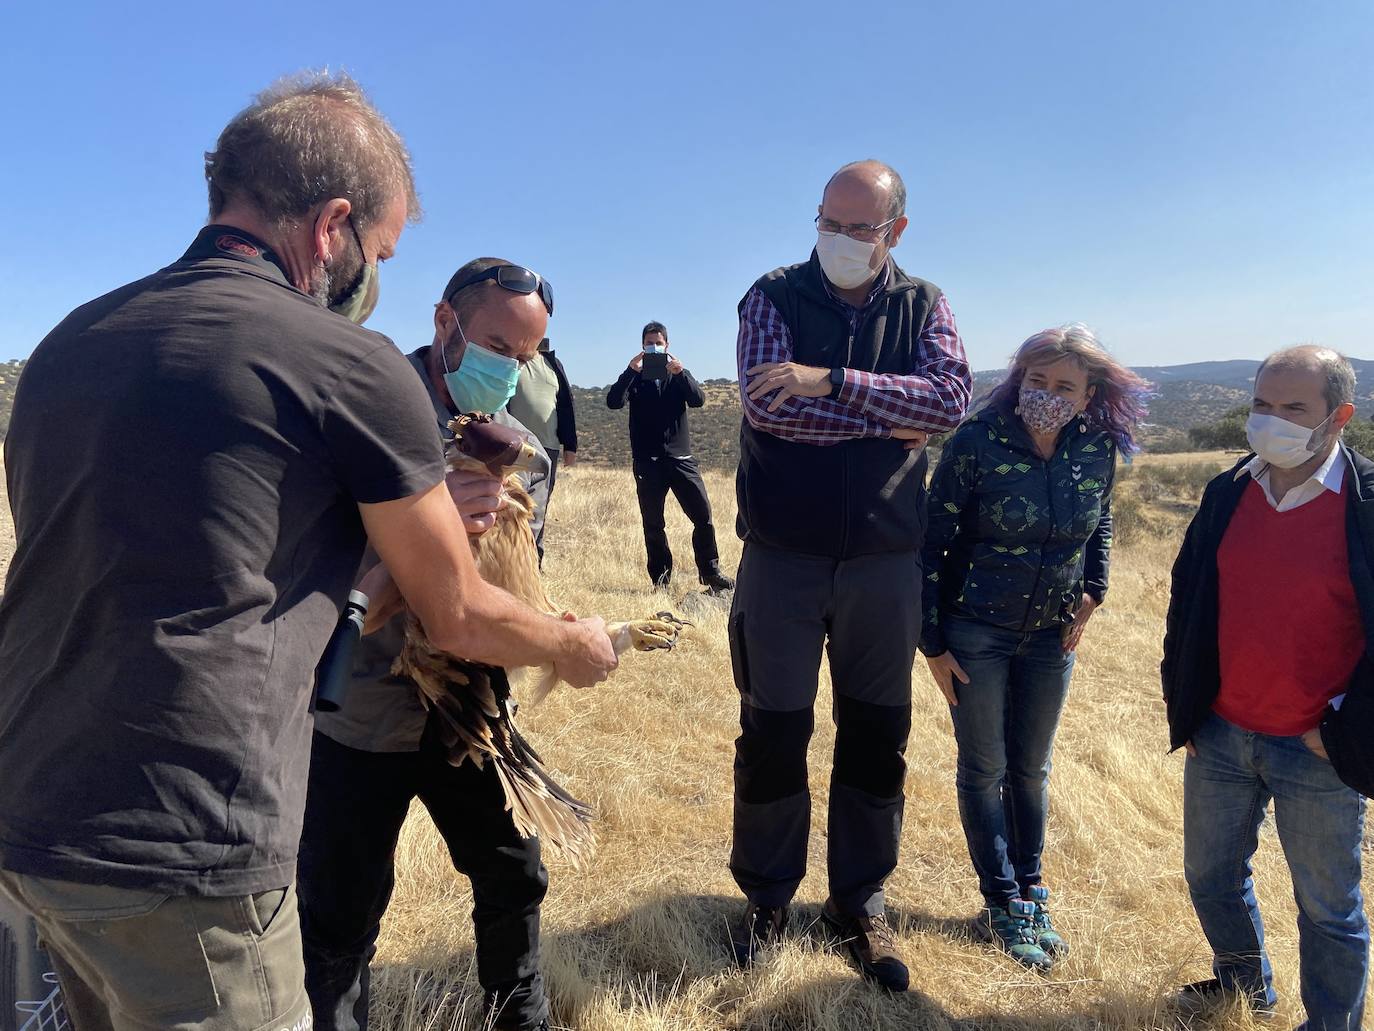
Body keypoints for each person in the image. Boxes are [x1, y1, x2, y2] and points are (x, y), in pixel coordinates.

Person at [0, 76, 616, 1031]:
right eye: (378, 250)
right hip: (188, 845)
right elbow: (452, 610)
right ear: (333, 225)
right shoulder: (343, 361)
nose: (374, 277)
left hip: (31, 820)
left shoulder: (69, 343)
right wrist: (573, 648)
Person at [299, 258, 562, 1031]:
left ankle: (522, 1014)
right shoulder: (358, 415)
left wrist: (502, 519)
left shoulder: (522, 455)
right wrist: (428, 517)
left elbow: (517, 587)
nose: (508, 370)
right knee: (341, 907)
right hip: (359, 711)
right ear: (445, 321)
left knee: (514, 873)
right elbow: (315, 563)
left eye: (525, 357)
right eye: (495, 345)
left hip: (467, 709)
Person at [728, 159, 971, 991]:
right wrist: (884, 413)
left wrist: (829, 379)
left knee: (876, 738)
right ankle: (766, 898)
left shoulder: (925, 304)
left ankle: (856, 900)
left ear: (895, 231)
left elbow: (946, 403)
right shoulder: (771, 295)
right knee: (773, 731)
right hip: (781, 559)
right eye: (827, 221)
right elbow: (768, 406)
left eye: (857, 228)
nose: (835, 239)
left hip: (883, 564)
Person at [921, 325, 1148, 971]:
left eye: (1064, 386)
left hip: (1053, 635)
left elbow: (1100, 518)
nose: (1047, 394)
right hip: (975, 633)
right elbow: (931, 538)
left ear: (1089, 393)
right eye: (1037, 381)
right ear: (1018, 380)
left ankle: (1033, 886)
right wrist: (932, 641)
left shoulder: (1097, 448)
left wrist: (1095, 590)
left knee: (1032, 769)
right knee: (985, 767)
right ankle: (1001, 900)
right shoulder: (976, 442)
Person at [1163, 345, 1372, 1031]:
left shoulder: (1367, 506)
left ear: (1338, 417)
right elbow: (1188, 601)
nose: (1270, 420)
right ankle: (1244, 989)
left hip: (1319, 748)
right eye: (1261, 405)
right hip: (1221, 733)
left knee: (1327, 908)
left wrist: (1342, 726)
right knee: (1210, 877)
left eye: (1292, 408)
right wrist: (1187, 708)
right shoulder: (1228, 491)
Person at [606, 322, 734, 592]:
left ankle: (710, 573)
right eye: (649, 343)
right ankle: (661, 581)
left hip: (681, 459)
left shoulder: (678, 376)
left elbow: (698, 399)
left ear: (667, 345)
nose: (654, 347)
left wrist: (681, 373)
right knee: (653, 523)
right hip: (647, 462)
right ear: (642, 346)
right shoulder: (636, 378)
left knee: (703, 515)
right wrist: (630, 371)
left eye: (658, 342)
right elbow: (614, 401)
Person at [508, 336, 578, 563]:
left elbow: (566, 405)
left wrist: (571, 445)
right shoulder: (511, 361)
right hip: (516, 446)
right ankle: (511, 559)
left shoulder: (554, 365)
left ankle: (534, 561)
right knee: (512, 505)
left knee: (539, 508)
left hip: (548, 447)